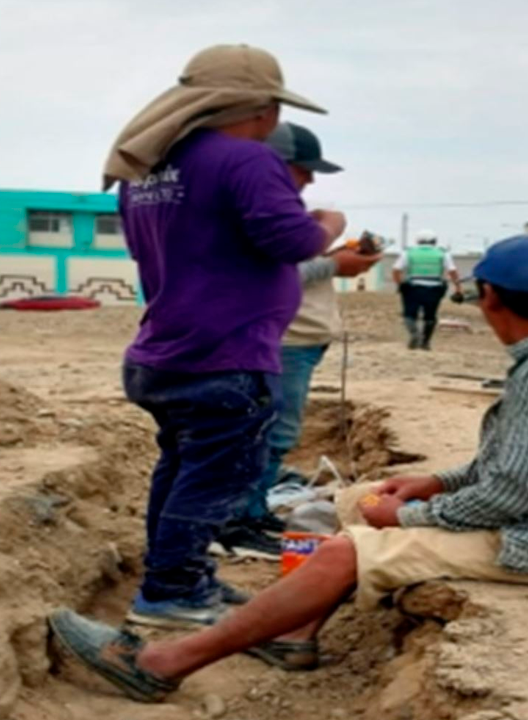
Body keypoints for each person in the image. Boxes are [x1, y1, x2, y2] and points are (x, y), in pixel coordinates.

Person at [47, 235, 528, 702]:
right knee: (355, 501)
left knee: (349, 549)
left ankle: (160, 665)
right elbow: (520, 460)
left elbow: (513, 493)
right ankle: (293, 633)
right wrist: (434, 483)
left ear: (488, 296)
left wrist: (412, 517)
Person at [104, 44, 348, 630]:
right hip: (225, 353)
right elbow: (293, 242)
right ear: (262, 109)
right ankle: (171, 593)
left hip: (167, 350)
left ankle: (176, 577)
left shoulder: (148, 169)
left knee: (182, 468)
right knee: (215, 476)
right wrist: (329, 224)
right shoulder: (246, 160)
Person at [215, 122, 381, 559]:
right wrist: (335, 265)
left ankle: (251, 514)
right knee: (269, 433)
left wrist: (331, 254)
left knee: (273, 432)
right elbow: (264, 277)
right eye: (302, 169)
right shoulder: (247, 212)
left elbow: (288, 266)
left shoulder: (273, 212)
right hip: (280, 341)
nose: (308, 180)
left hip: (295, 340)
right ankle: (236, 523)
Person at [392, 230, 463, 350]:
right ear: (434, 241)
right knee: (430, 316)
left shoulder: (408, 252)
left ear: (418, 241)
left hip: (413, 287)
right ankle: (425, 342)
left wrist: (400, 283)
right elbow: (452, 271)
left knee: (409, 314)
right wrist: (458, 288)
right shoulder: (442, 253)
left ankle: (414, 334)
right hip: (434, 288)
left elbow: (396, 270)